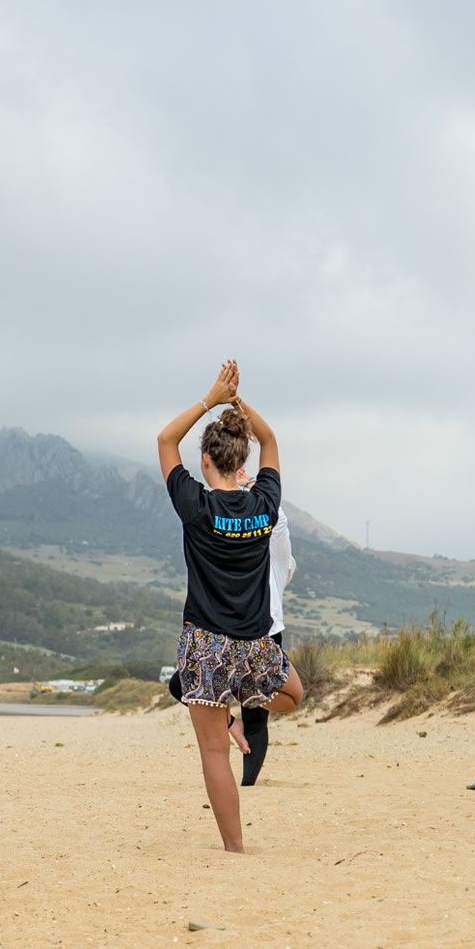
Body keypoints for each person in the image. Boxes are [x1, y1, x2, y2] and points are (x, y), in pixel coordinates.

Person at [156, 360, 304, 854]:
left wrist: (211, 399)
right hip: (255, 641)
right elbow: (273, 442)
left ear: (204, 461)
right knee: (293, 694)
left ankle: (235, 851)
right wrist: (239, 404)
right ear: (240, 458)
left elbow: (163, 441)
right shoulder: (263, 505)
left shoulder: (196, 508)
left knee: (214, 754)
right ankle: (245, 700)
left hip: (204, 643)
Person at [234, 465, 295, 788]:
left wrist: (251, 483)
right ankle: (230, 722)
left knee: (256, 715)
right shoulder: (238, 547)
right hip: (229, 632)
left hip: (265, 634)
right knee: (181, 685)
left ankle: (248, 787)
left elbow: (278, 521)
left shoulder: (278, 557)